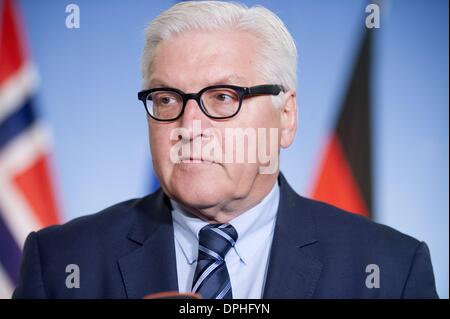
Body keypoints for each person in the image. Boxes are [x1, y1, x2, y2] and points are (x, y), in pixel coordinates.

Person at [13, 1, 438, 299]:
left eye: (222, 97)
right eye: (166, 99)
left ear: (285, 118)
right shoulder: (60, 263)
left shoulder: (390, 271)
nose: (189, 126)